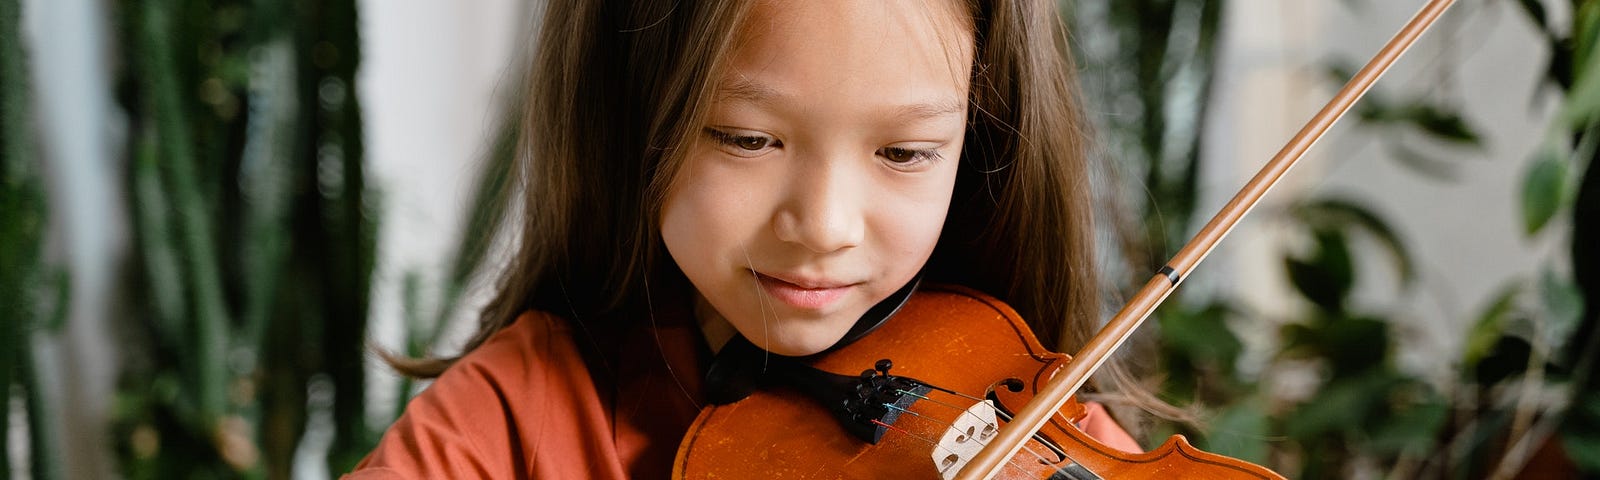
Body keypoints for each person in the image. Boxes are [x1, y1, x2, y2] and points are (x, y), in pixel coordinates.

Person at [347, 0, 1161, 477]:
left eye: (905, 153)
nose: (824, 226)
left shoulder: (1014, 416)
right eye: (745, 138)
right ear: (631, 120)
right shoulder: (514, 416)